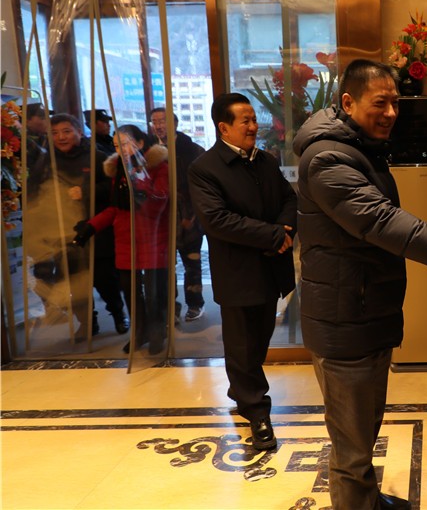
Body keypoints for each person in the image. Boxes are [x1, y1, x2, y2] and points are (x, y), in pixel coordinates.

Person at [293, 59, 427, 510]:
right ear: (348, 102)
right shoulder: (327, 158)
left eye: (395, 102)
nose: (392, 112)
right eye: (381, 103)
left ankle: (367, 501)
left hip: (364, 312)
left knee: (363, 430)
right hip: (343, 322)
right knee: (352, 445)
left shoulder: (360, 147)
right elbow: (382, 222)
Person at [188, 93, 297, 452]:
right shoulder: (205, 168)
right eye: (245, 121)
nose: (253, 126)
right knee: (242, 346)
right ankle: (257, 412)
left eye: (254, 119)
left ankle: (242, 390)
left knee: (257, 340)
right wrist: (273, 235)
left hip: (271, 267)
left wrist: (285, 229)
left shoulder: (265, 161)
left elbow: (289, 199)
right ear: (224, 127)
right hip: (237, 272)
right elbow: (217, 220)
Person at [74, 125, 169, 354]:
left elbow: (159, 203)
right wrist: (91, 226)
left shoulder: (159, 167)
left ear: (140, 143)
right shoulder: (118, 169)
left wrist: (139, 184)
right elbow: (116, 208)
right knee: (130, 292)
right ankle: (140, 332)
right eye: (117, 146)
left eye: (126, 144)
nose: (121, 150)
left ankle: (157, 331)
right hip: (126, 239)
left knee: (154, 293)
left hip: (152, 236)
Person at [29, 113, 113, 341]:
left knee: (104, 279)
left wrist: (85, 192)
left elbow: (112, 188)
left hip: (96, 229)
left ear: (79, 132)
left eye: (66, 131)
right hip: (63, 231)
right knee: (74, 280)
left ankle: (116, 311)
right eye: (55, 133)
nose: (61, 137)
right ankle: (87, 323)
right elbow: (34, 190)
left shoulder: (96, 157)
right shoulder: (46, 161)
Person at [150, 108, 206, 322]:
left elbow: (201, 187)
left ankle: (195, 303)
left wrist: (192, 215)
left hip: (188, 216)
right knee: (165, 266)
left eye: (163, 121)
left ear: (174, 123)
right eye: (155, 122)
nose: (159, 125)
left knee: (192, 263)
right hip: (160, 218)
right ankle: (170, 307)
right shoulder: (148, 150)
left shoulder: (192, 149)